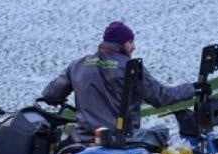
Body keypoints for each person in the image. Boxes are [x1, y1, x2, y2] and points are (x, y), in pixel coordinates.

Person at [39, 21, 195, 138]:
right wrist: (194, 88)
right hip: (123, 139)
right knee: (162, 134)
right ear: (122, 43)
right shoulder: (130, 67)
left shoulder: (77, 65)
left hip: (84, 138)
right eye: (131, 42)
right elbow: (160, 97)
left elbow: (50, 95)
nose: (134, 47)